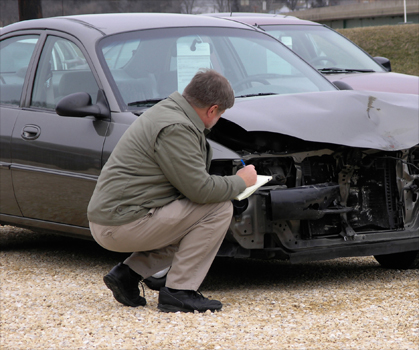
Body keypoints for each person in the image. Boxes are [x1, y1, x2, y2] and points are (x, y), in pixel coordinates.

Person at [87, 69, 257, 313]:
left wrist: (227, 189)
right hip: (119, 224)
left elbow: (187, 187)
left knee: (197, 219)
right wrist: (241, 182)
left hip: (117, 218)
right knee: (217, 210)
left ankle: (127, 275)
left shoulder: (168, 110)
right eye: (220, 113)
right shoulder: (177, 127)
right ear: (212, 109)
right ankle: (179, 291)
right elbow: (199, 190)